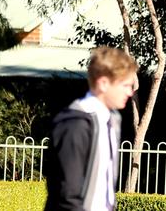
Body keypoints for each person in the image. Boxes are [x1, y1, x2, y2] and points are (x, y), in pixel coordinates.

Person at [44, 46, 138, 211]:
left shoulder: (112, 120)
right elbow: (67, 195)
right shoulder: (74, 124)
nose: (130, 92)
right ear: (103, 83)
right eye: (125, 85)